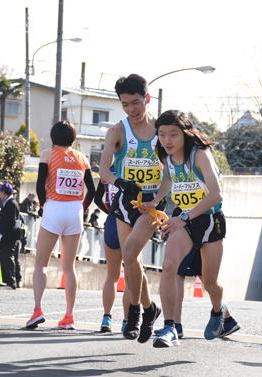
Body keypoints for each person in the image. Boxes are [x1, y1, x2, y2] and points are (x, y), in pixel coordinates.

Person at [148, 110, 240, 348]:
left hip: (209, 220)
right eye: (162, 134)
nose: (167, 140)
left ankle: (221, 312)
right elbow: (168, 179)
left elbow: (216, 194)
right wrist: (156, 200)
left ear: (185, 134)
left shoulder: (199, 155)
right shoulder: (166, 157)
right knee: (168, 267)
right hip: (183, 219)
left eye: (173, 135)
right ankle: (170, 326)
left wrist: (185, 217)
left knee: (209, 283)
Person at [98, 74, 162, 343]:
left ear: (147, 99)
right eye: (125, 104)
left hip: (151, 203)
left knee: (131, 250)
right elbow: (102, 170)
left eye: (136, 102)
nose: (131, 110)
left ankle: (133, 313)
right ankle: (150, 309)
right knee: (130, 258)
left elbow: (176, 165)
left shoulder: (163, 129)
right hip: (126, 200)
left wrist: (160, 197)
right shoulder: (118, 130)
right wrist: (119, 181)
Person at [26, 120, 95, 330]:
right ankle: (69, 316)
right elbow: (91, 189)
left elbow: (40, 183)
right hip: (74, 211)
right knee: (69, 267)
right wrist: (82, 208)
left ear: (53, 136)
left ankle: (37, 310)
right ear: (73, 138)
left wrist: (42, 204)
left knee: (41, 263)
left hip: (54, 207)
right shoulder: (82, 158)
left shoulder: (48, 154)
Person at [94, 173, 130, 333]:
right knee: (131, 277)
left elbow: (97, 199)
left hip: (111, 222)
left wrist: (110, 212)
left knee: (112, 275)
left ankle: (106, 318)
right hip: (129, 222)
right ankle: (127, 320)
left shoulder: (106, 172)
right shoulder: (132, 167)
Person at [0, 183, 21, 289]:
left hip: (9, 237)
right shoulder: (8, 203)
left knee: (8, 257)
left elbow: (10, 222)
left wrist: (1, 233)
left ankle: (11, 280)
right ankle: (8, 279)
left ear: (4, 193)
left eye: (0, 192)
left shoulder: (11, 204)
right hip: (8, 236)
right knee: (5, 256)